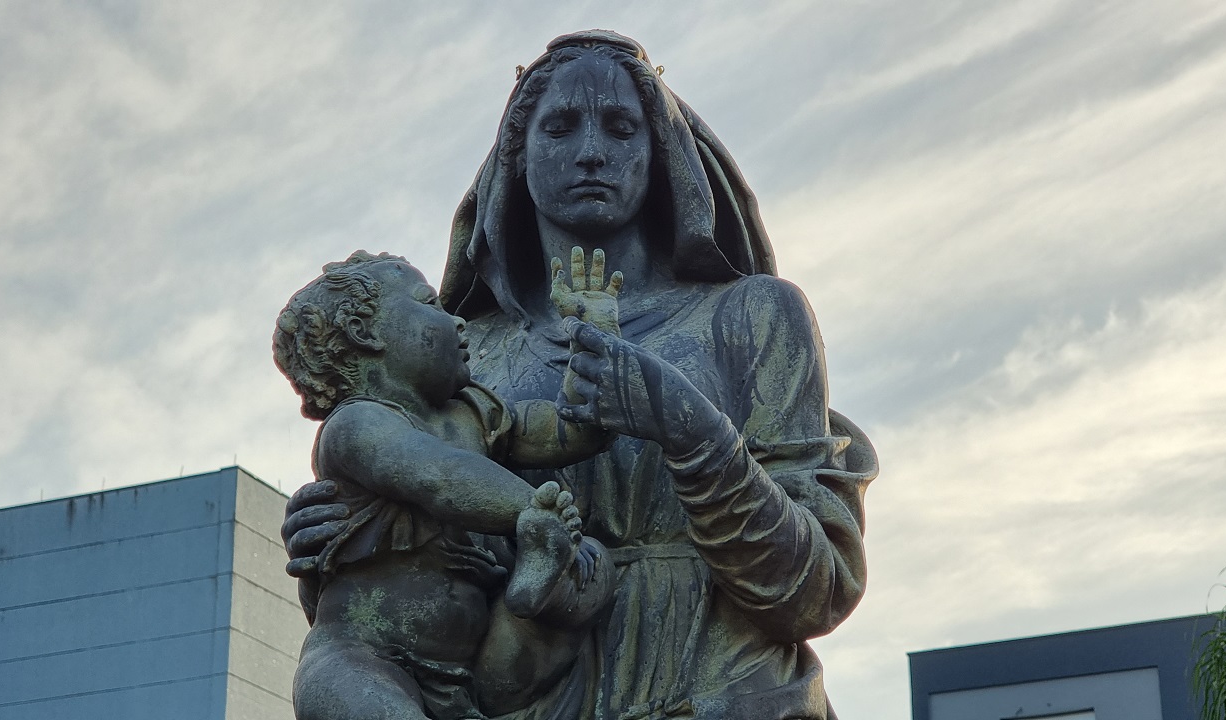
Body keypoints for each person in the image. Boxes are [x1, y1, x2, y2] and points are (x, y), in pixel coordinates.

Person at [284, 30, 879, 720]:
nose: (593, 151)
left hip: (723, 693)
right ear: (517, 154)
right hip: (529, 691)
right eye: (561, 126)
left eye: (622, 127)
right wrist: (348, 531)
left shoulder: (751, 317)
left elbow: (815, 591)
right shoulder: (463, 350)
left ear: (661, 153)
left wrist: (691, 435)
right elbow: (409, 598)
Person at [273, 250, 625, 719]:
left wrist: (594, 337)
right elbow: (439, 477)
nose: (457, 322)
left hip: (478, 670)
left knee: (590, 571)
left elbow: (575, 429)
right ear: (364, 332)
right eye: (429, 304)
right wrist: (532, 510)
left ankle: (537, 586)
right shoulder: (356, 426)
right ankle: (540, 560)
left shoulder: (474, 412)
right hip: (365, 657)